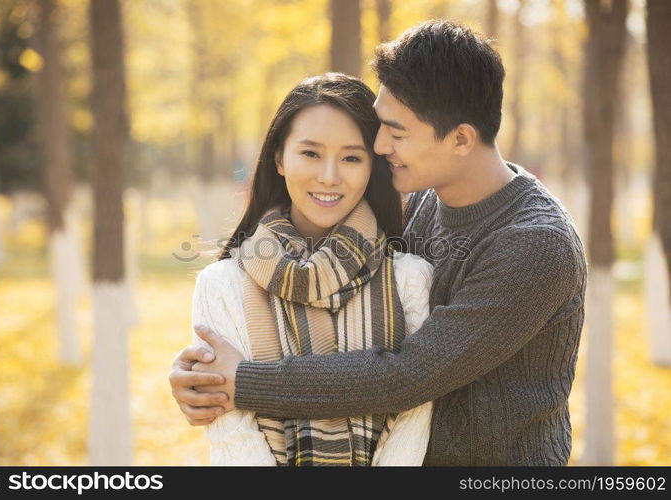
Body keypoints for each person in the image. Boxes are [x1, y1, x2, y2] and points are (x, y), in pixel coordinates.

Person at [171, 20, 587, 466]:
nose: (379, 143)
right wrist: (200, 374)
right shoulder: (420, 203)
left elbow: (409, 374)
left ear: (461, 138)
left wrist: (243, 382)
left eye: (397, 131)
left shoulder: (536, 245)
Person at [185, 72, 434, 465]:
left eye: (352, 157)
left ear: (373, 168)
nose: (329, 177)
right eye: (311, 153)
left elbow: (414, 417)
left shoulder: (409, 280)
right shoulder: (222, 286)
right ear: (280, 159)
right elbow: (233, 438)